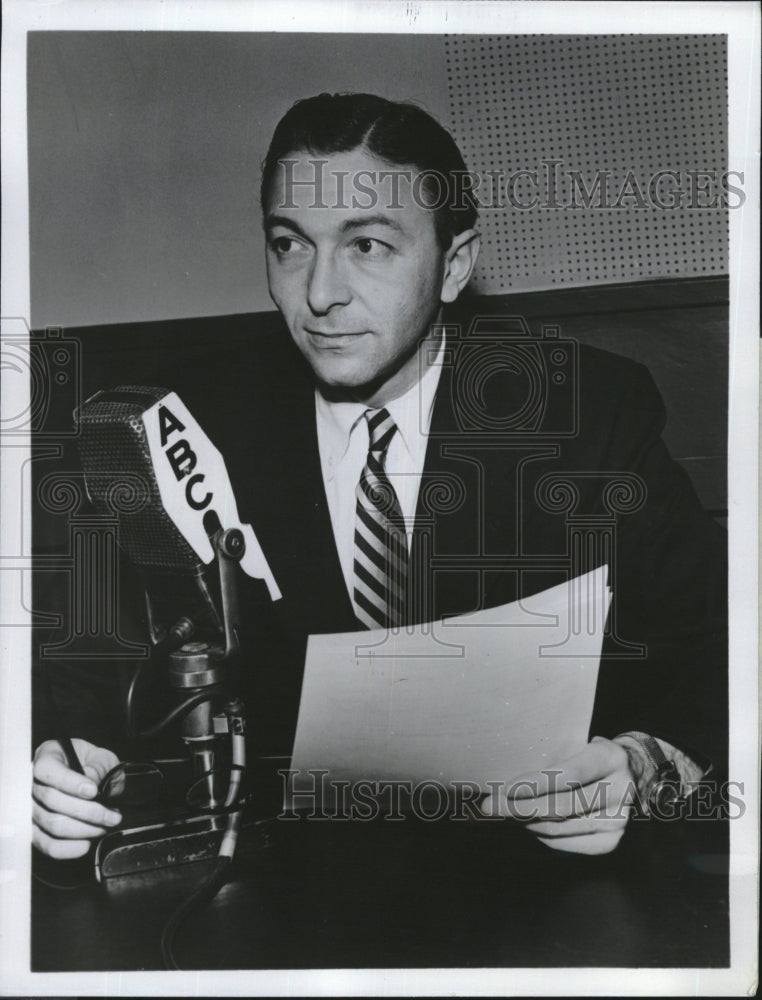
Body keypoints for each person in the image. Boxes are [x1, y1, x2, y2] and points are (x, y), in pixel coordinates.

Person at [32, 93, 726, 860]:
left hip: (538, 885)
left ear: (454, 265)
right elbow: (85, 686)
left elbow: (713, 663)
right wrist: (65, 764)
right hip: (274, 893)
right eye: (291, 244)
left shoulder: (588, 414)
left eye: (367, 246)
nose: (321, 293)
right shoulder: (182, 423)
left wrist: (638, 762)